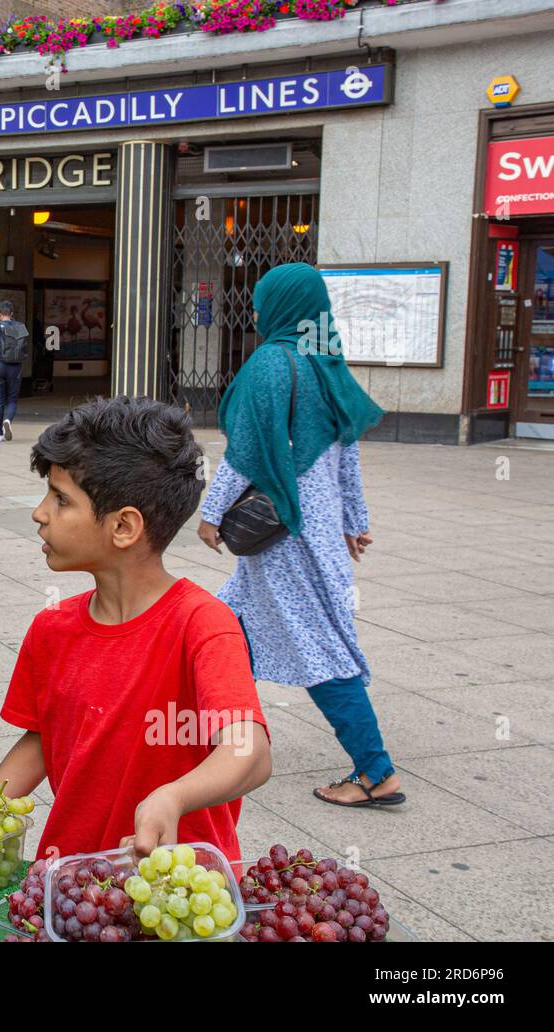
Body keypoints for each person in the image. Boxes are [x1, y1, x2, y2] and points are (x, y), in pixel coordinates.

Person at [0, 396, 271, 862]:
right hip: (72, 883)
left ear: (124, 527)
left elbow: (250, 752)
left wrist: (173, 797)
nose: (39, 513)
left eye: (60, 499)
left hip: (175, 894)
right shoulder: (51, 628)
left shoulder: (203, 625)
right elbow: (42, 739)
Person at [197, 262, 399, 809]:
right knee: (223, 622)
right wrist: (354, 522)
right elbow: (348, 458)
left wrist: (211, 512)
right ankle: (202, 732)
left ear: (285, 306)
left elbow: (246, 453)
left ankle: (376, 772)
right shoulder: (327, 364)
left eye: (264, 301)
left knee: (320, 652)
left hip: (287, 541)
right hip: (317, 538)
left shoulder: (271, 363)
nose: (258, 311)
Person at [0, 299, 29, 443]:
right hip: (16, 367)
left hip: (0, 366)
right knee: (12, 400)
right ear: (11, 314)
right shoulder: (21, 326)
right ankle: (8, 420)